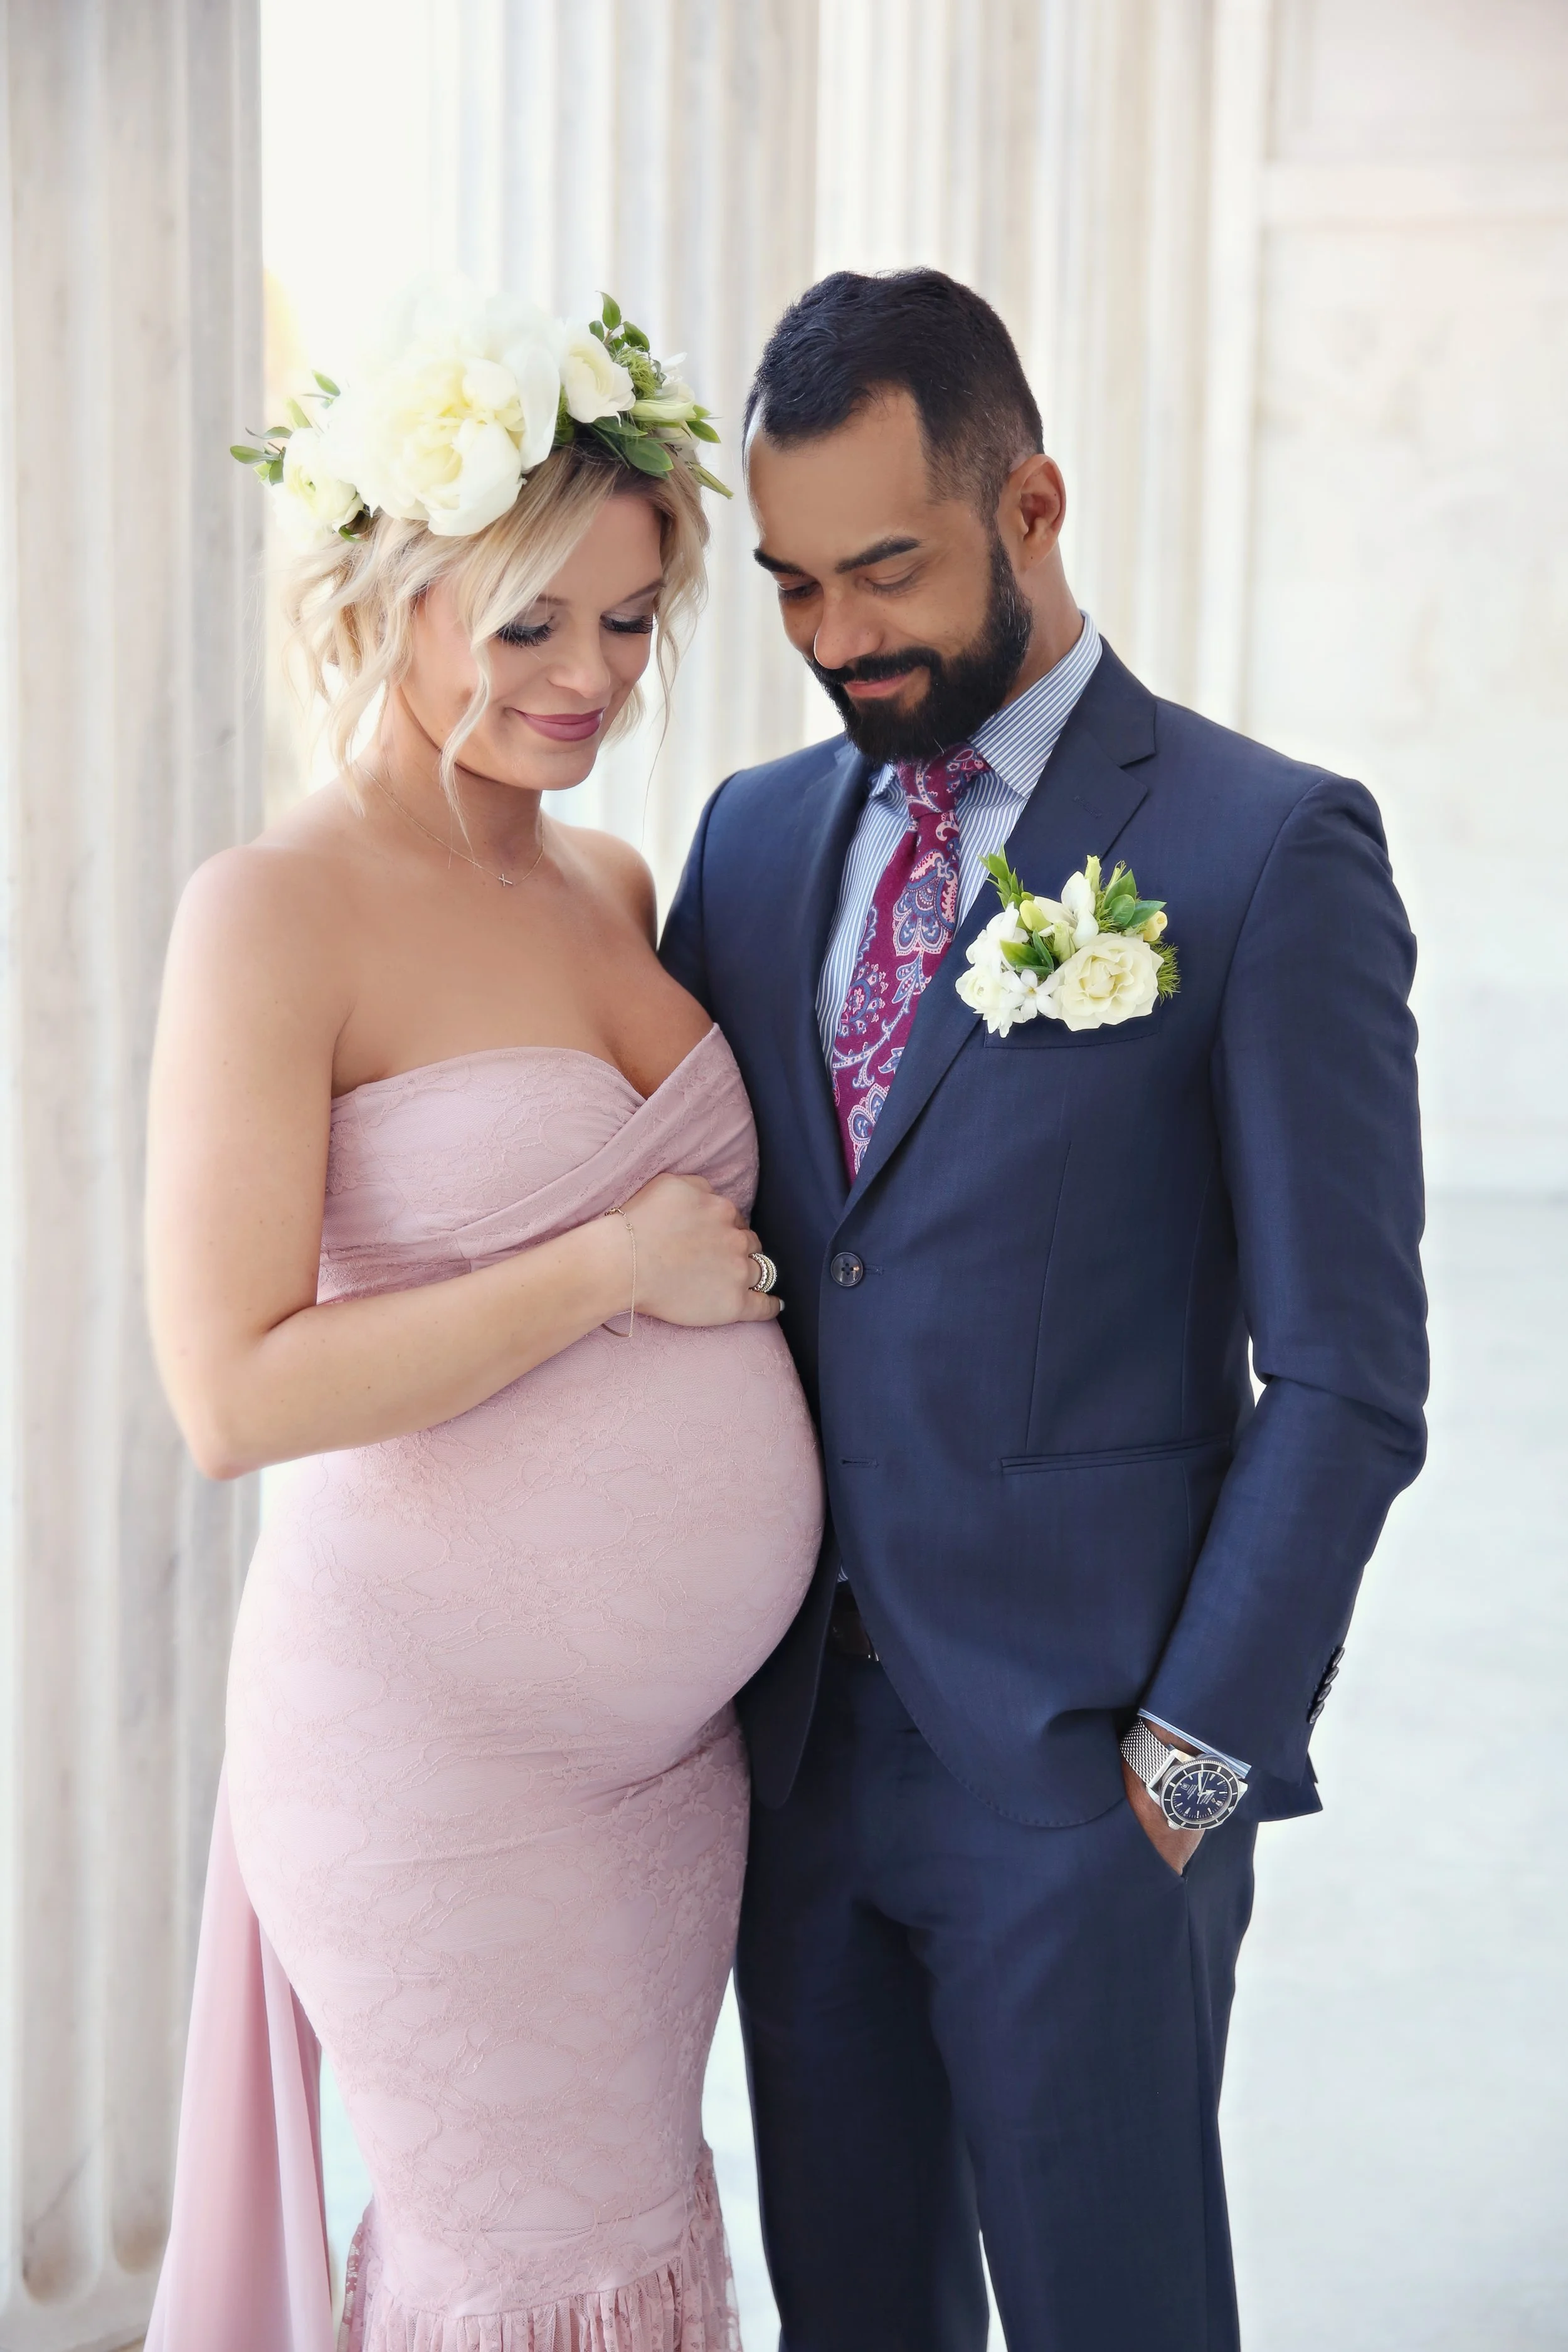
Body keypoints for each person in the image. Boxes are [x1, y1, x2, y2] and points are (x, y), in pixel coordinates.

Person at [660, 267, 1428, 2351]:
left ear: (1030, 506)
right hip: (794, 1776)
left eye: (885, 569)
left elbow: (1348, 1378)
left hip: (1087, 1790)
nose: (837, 635)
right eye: (792, 585)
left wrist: (1183, 1774)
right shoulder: (747, 845)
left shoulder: (1261, 850)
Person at [144, 280, 820, 2351]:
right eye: (529, 623)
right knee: (537, 2274)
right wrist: (608, 1268)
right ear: (397, 591)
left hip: (667, 1763)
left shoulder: (608, 884)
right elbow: (231, 1390)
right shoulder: (274, 911)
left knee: (634, 2242)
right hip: (438, 1757)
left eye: (627, 619)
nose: (589, 676)